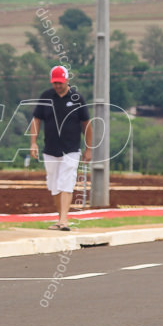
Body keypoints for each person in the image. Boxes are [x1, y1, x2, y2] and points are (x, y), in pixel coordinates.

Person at [29, 65, 93, 231]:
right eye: (55, 83)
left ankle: (64, 220)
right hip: (50, 149)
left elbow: (86, 124)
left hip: (71, 149)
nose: (57, 86)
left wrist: (89, 148)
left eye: (60, 82)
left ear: (67, 80)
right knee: (54, 184)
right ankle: (60, 218)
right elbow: (36, 120)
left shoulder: (77, 98)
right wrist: (33, 142)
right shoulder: (46, 97)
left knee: (67, 181)